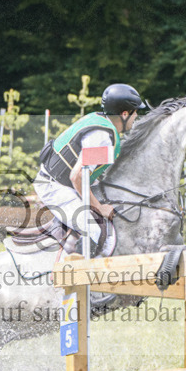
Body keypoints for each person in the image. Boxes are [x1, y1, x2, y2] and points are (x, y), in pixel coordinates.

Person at [34, 83, 145, 255]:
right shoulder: (102, 138)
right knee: (97, 233)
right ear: (124, 114)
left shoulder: (100, 121)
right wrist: (99, 208)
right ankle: (73, 277)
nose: (136, 116)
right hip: (56, 188)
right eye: (135, 112)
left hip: (60, 182)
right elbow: (77, 176)